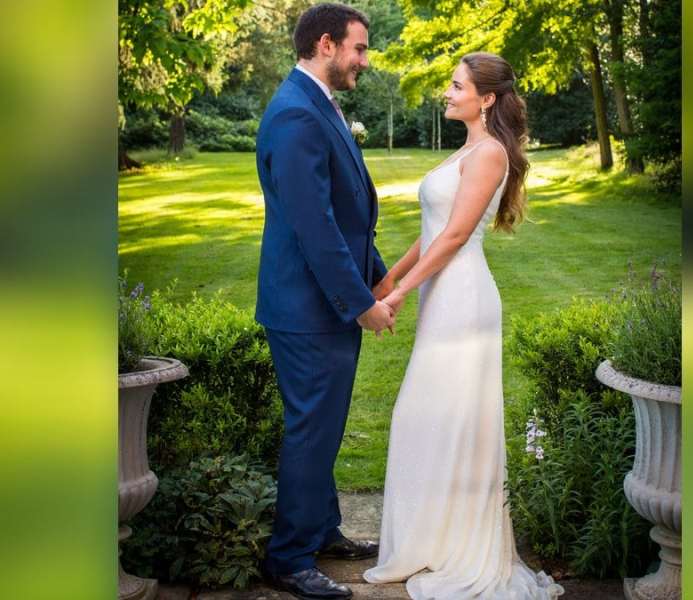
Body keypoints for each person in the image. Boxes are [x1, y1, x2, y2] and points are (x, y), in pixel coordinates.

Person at [363, 53, 565, 600]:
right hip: (443, 295)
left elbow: (454, 238)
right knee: (429, 418)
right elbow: (434, 231)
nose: (447, 93)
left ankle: (455, 548)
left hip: (464, 300)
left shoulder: (491, 154)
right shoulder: (470, 149)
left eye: (457, 86)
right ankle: (430, 541)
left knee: (435, 419)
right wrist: (389, 279)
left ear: (487, 98)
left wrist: (401, 293)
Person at [254, 4, 395, 599]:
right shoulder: (295, 114)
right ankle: (289, 557)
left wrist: (380, 274)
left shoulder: (316, 104)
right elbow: (314, 229)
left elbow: (344, 211)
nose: (364, 60)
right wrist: (360, 301)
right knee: (311, 429)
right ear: (326, 44)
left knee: (324, 426)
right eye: (359, 49)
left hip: (321, 306)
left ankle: (322, 528)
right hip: (309, 310)